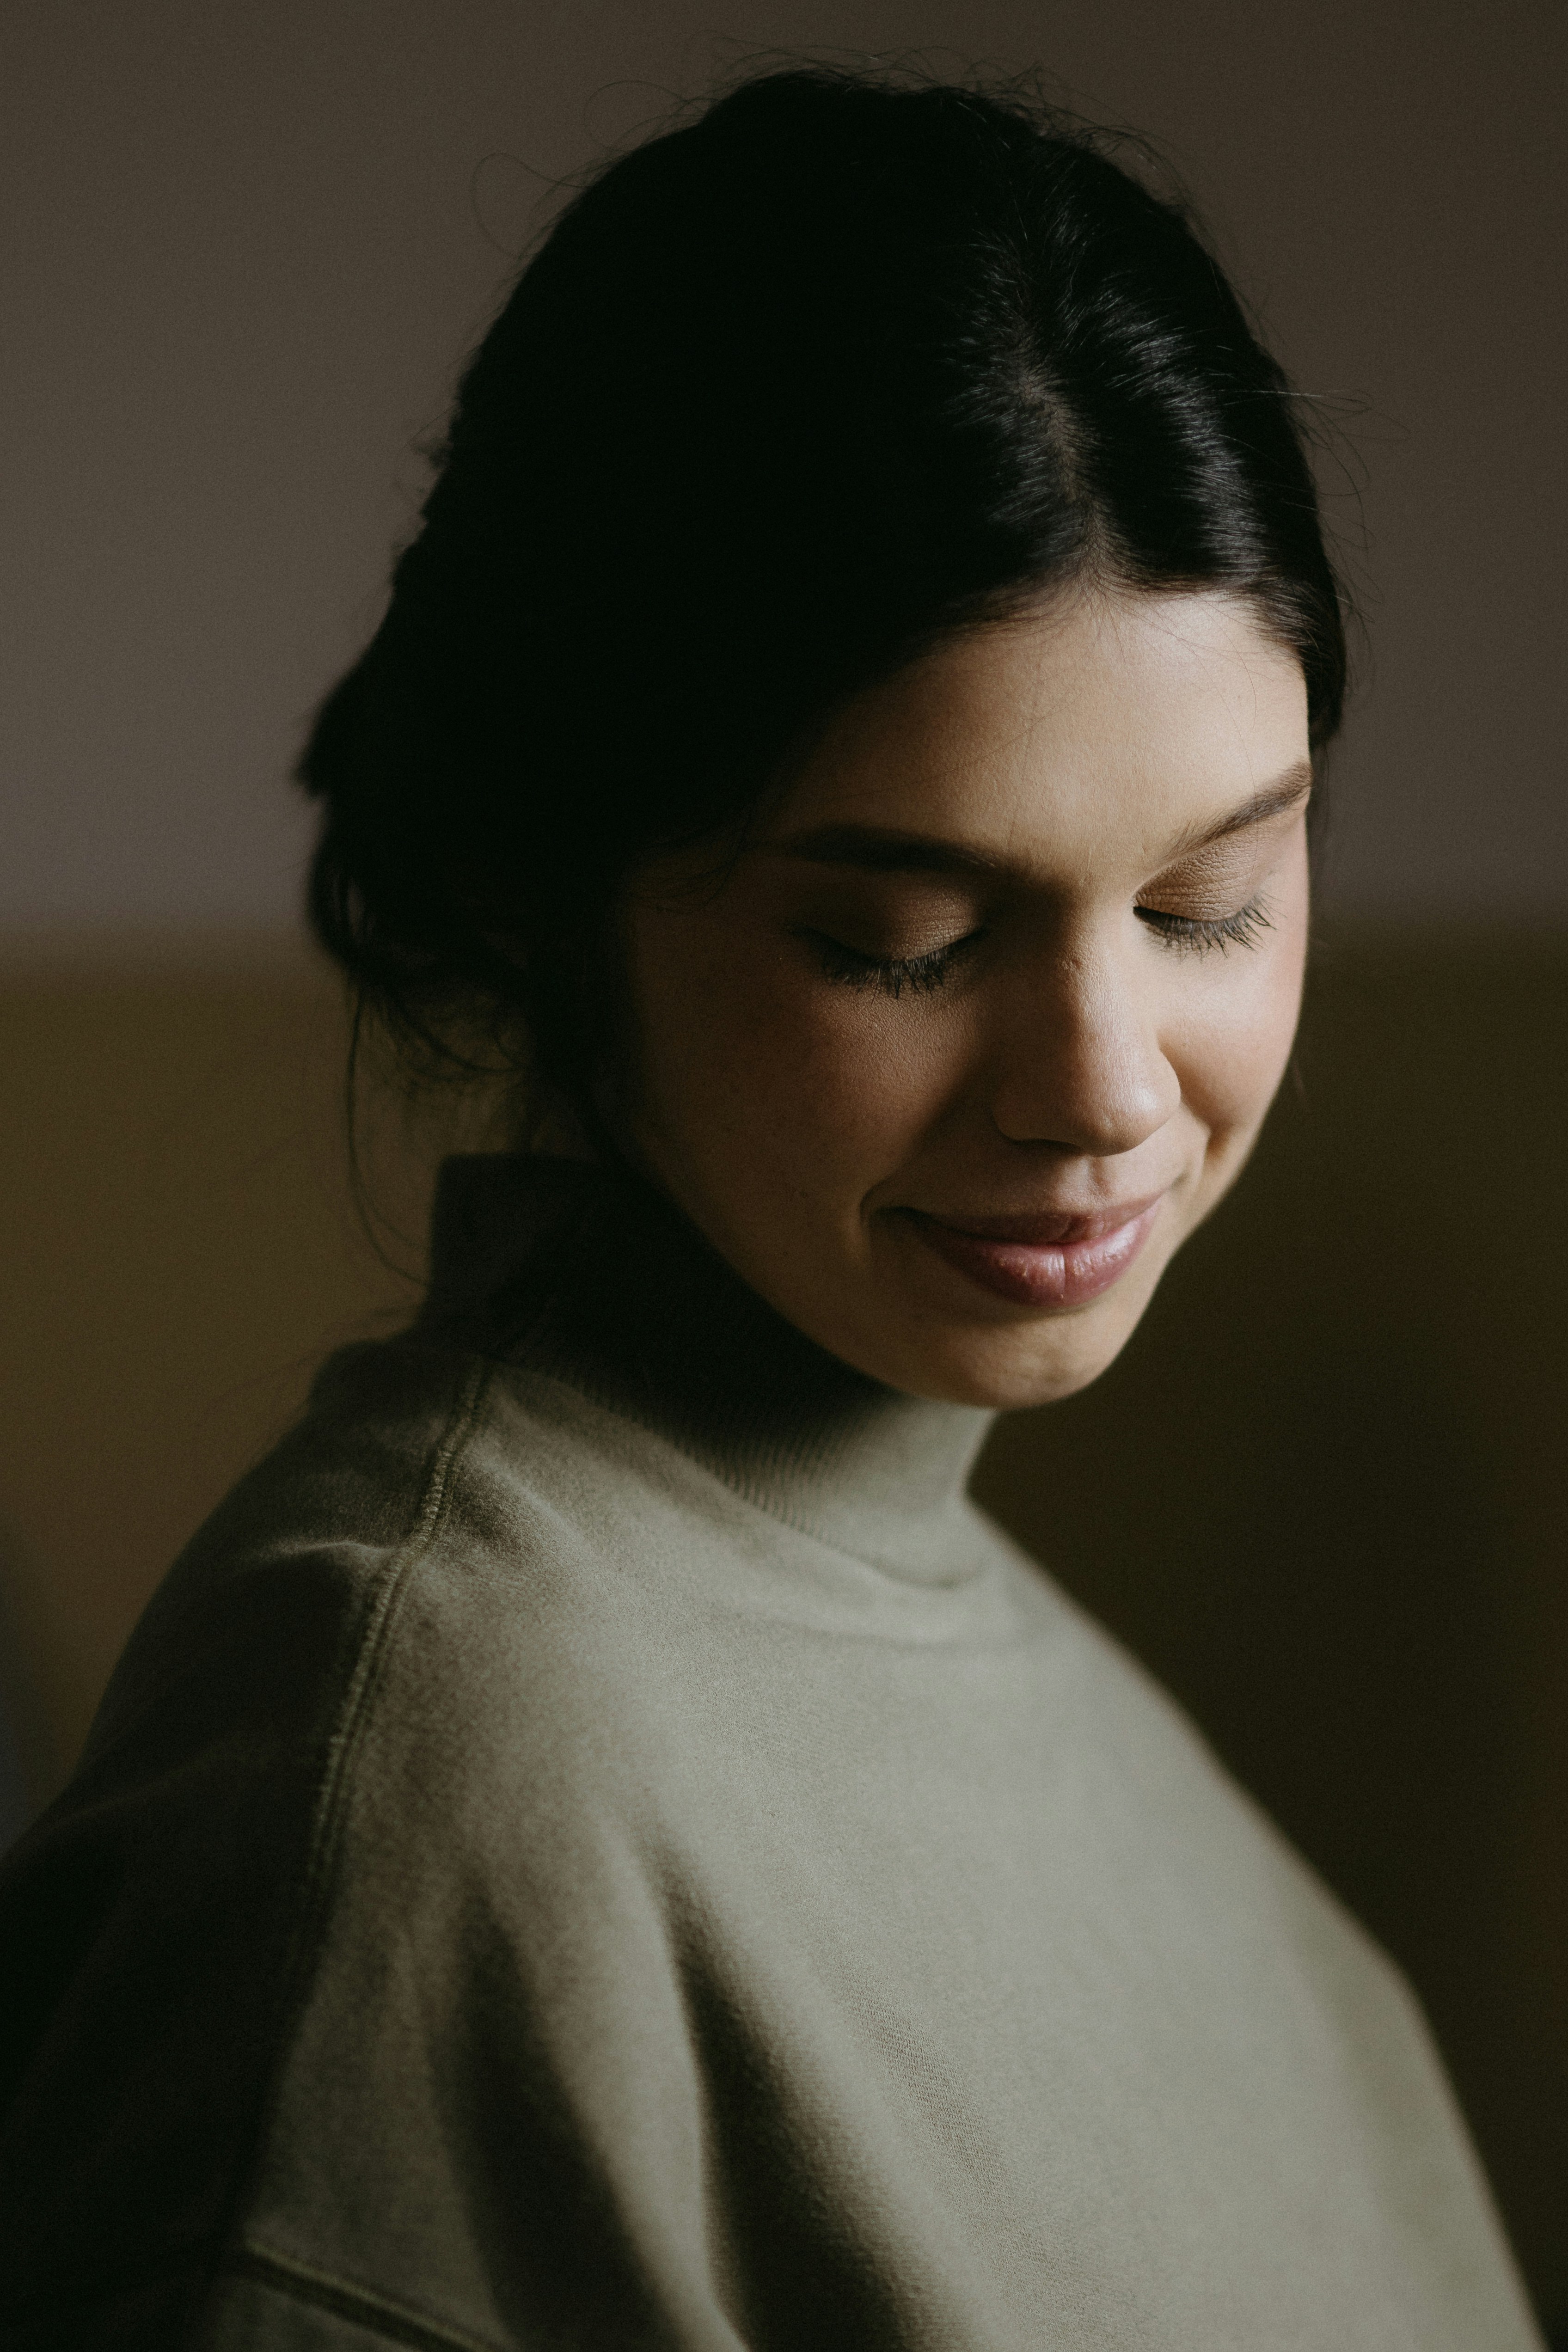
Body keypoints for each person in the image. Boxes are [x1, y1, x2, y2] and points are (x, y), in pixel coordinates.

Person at [0, 66, 1543, 2352]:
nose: (1104, 1091)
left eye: (1207, 901)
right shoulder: (421, 1795)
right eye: (900, 939)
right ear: (545, 888)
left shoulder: (1077, 1734)